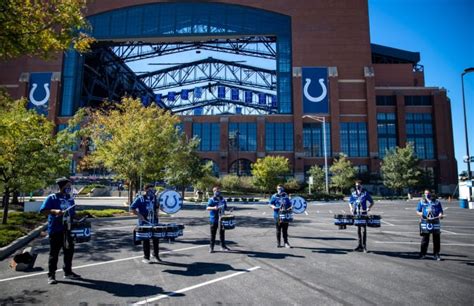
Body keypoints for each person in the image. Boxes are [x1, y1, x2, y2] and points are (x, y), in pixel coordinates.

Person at [39, 177, 81, 284]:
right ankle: (51, 275)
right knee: (54, 253)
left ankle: (68, 272)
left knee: (69, 252)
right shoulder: (52, 198)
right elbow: (43, 211)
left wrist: (80, 218)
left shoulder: (70, 198)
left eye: (70, 186)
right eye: (67, 186)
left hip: (68, 230)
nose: (69, 188)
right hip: (56, 230)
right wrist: (54, 211)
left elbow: (73, 213)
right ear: (61, 186)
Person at [130, 184, 161, 264]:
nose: (152, 192)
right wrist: (139, 215)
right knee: (146, 240)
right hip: (144, 223)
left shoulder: (154, 198)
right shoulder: (140, 198)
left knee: (156, 239)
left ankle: (155, 255)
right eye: (150, 190)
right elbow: (132, 208)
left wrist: (158, 211)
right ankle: (146, 257)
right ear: (146, 190)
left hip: (154, 222)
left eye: (153, 190)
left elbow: (157, 207)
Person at [416, 189, 444, 261]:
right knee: (425, 239)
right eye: (425, 193)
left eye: (428, 193)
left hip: (435, 222)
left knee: (436, 239)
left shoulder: (437, 202)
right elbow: (417, 211)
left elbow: (440, 211)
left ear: (431, 194)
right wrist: (421, 214)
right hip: (425, 222)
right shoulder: (422, 202)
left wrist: (440, 215)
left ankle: (436, 254)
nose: (426, 195)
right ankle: (423, 254)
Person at [348, 180, 374, 253]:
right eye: (356, 186)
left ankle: (364, 246)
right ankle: (359, 245)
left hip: (363, 214)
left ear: (361, 186)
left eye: (358, 185)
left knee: (363, 230)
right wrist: (351, 208)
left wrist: (369, 208)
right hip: (356, 214)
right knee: (358, 229)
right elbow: (350, 202)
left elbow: (372, 202)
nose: (357, 187)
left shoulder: (365, 194)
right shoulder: (353, 194)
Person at [207, 186, 230, 253]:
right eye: (216, 191)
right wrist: (214, 208)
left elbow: (225, 208)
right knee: (213, 234)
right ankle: (211, 248)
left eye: (219, 191)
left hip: (222, 219)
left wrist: (229, 211)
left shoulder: (222, 199)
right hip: (214, 219)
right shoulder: (211, 199)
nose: (218, 192)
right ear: (214, 191)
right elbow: (207, 208)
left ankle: (223, 246)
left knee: (222, 234)